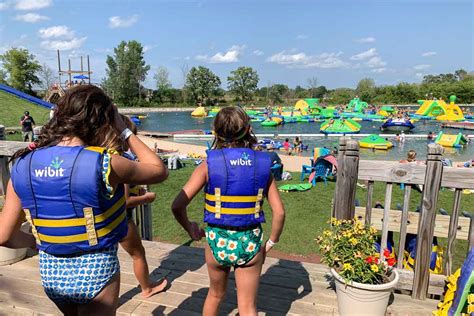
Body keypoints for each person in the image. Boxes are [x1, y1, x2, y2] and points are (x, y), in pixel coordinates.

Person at [0, 85, 168, 315]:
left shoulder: (23, 164)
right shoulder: (104, 163)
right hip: (96, 270)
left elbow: (4, 236)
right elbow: (158, 170)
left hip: (52, 274)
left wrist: (34, 243)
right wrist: (124, 130)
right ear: (101, 120)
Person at [171, 106, 285, 315]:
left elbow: (178, 205)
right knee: (248, 306)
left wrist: (190, 228)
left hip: (217, 241)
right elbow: (279, 213)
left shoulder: (208, 164)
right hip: (250, 241)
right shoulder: (263, 164)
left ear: (216, 132)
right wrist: (271, 242)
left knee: (215, 295)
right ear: (249, 129)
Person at [102, 115, 168, 298]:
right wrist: (147, 197)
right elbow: (124, 201)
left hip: (103, 219)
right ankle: (147, 288)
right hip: (121, 219)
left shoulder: (101, 157)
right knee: (138, 254)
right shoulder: (120, 162)